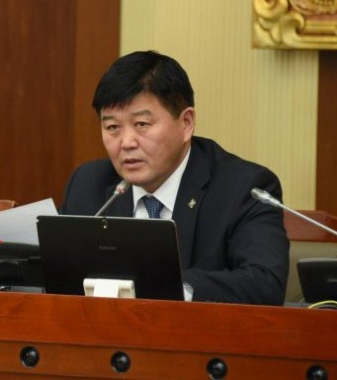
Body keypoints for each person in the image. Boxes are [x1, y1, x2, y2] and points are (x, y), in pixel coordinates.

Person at [60, 50, 289, 304]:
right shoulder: (88, 185)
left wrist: (161, 285)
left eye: (141, 124)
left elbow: (265, 284)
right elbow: (59, 276)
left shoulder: (243, 188)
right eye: (112, 127)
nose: (126, 142)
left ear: (186, 123)